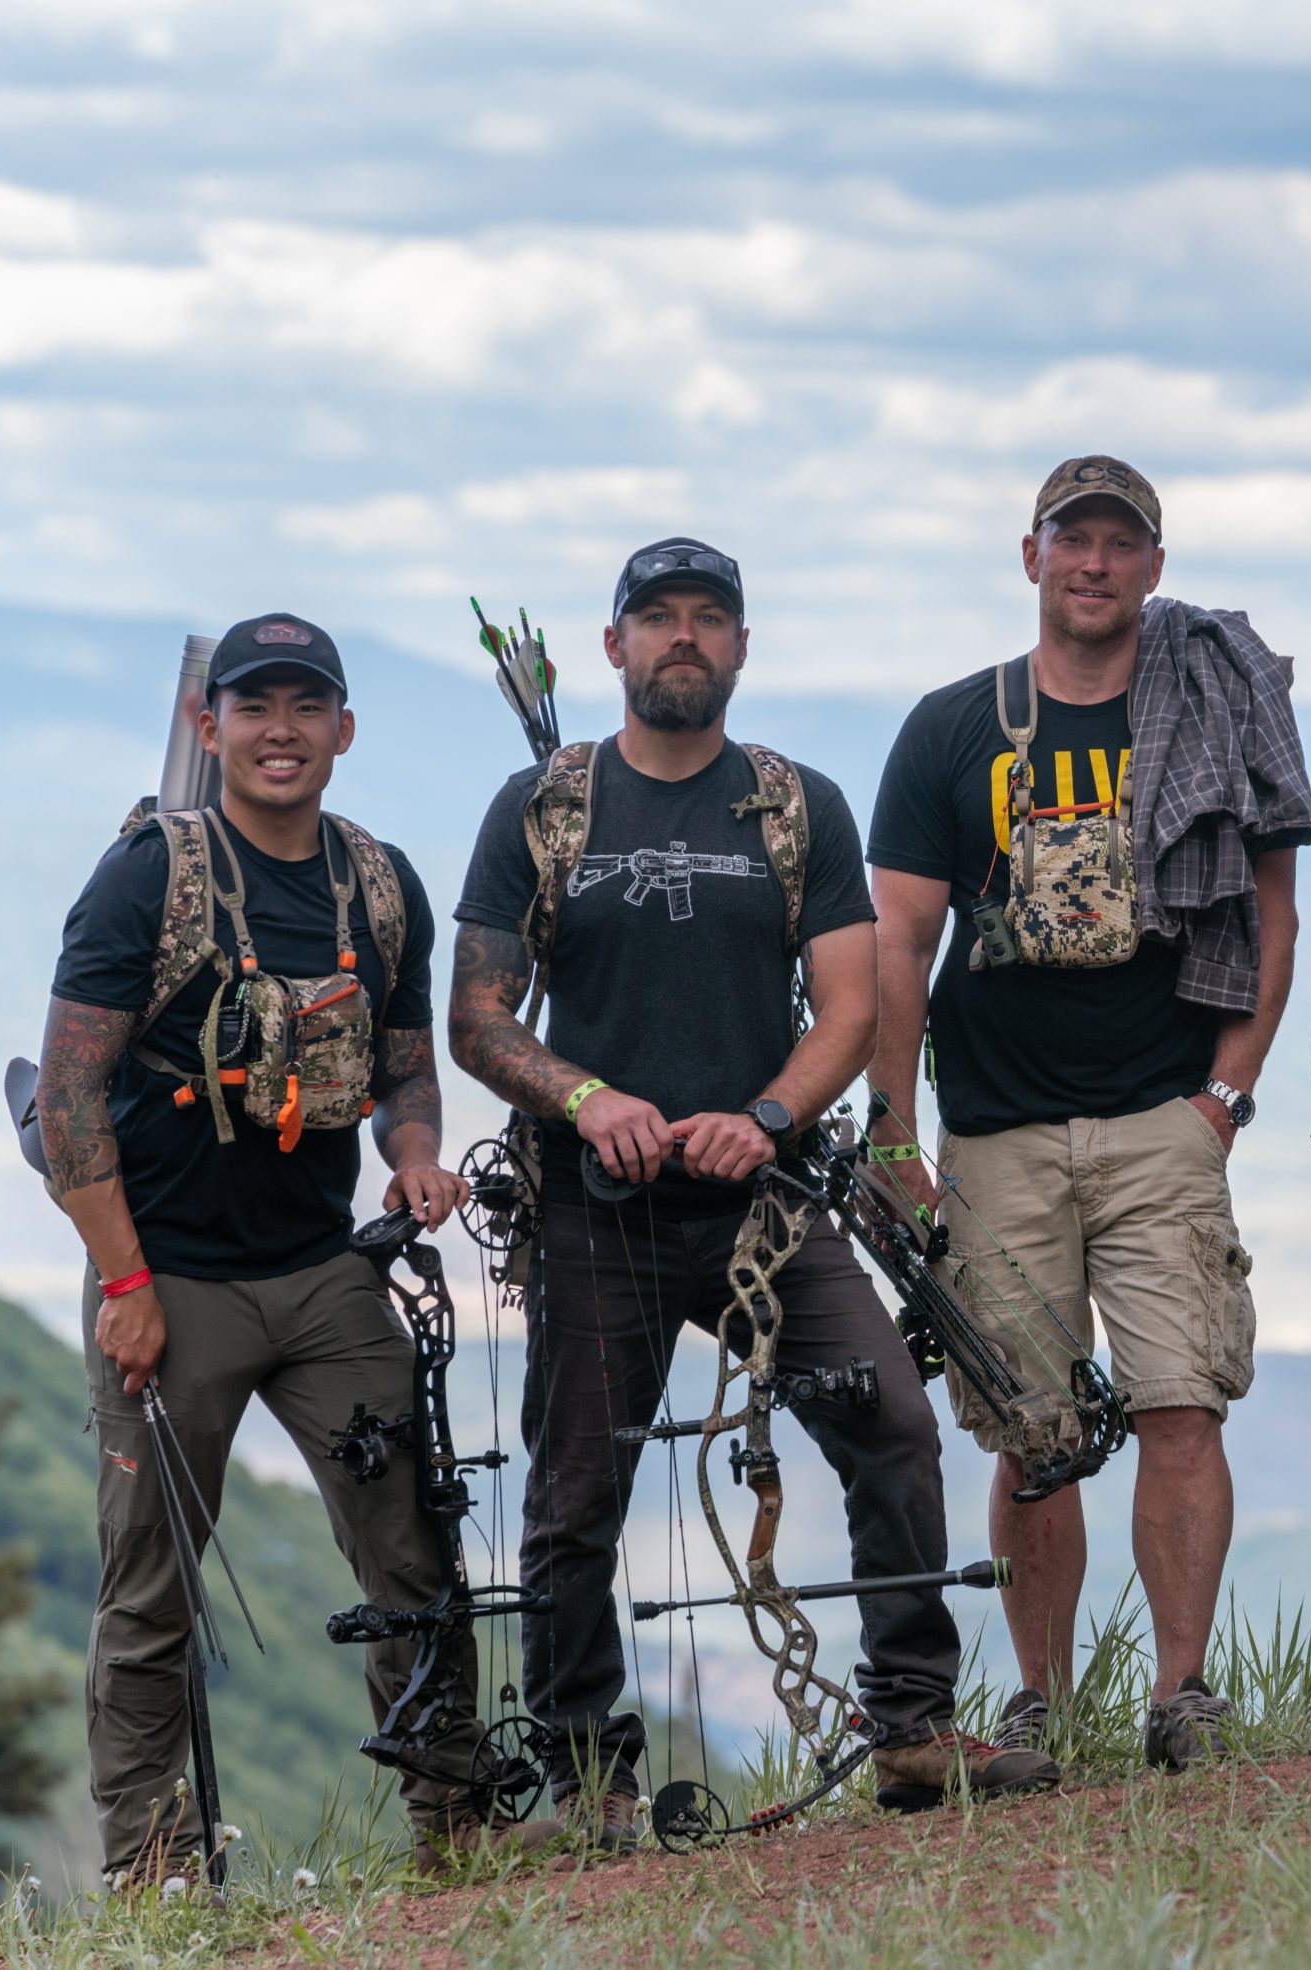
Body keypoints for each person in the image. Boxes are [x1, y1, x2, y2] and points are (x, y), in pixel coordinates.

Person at [450, 537, 1057, 1840]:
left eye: (707, 618)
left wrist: (769, 1115)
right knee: (573, 1495)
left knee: (892, 1421)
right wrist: (586, 1099)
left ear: (739, 645)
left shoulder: (795, 804)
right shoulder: (543, 805)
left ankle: (911, 1727)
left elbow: (850, 1005)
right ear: (613, 644)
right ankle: (589, 1781)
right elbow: (478, 1018)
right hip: (593, 1208)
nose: (684, 635)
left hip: (765, 1207)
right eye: (657, 616)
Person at [33, 614, 524, 1879]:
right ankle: (155, 1869)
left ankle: (457, 1826)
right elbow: (71, 1096)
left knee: (412, 1545)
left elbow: (404, 1065)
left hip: (320, 1270)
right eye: (255, 707)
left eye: (307, 706)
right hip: (167, 1275)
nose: (281, 730)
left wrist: (416, 1154)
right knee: (152, 1586)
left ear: (344, 728)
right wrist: (126, 1284)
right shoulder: (147, 877)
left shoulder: (380, 883)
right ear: (212, 727)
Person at [865, 456, 1311, 1771]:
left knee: (1181, 1405)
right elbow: (899, 939)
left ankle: (1183, 1692)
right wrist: (892, 1129)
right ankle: (1040, 1704)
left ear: (1154, 566)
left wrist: (1226, 1091)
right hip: (995, 1131)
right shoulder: (952, 727)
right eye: (1075, 539)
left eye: (1122, 543)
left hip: (1163, 1120)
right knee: (1031, 1432)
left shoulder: (1211, 711)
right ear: (1032, 556)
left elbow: (1273, 913)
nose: (1096, 564)